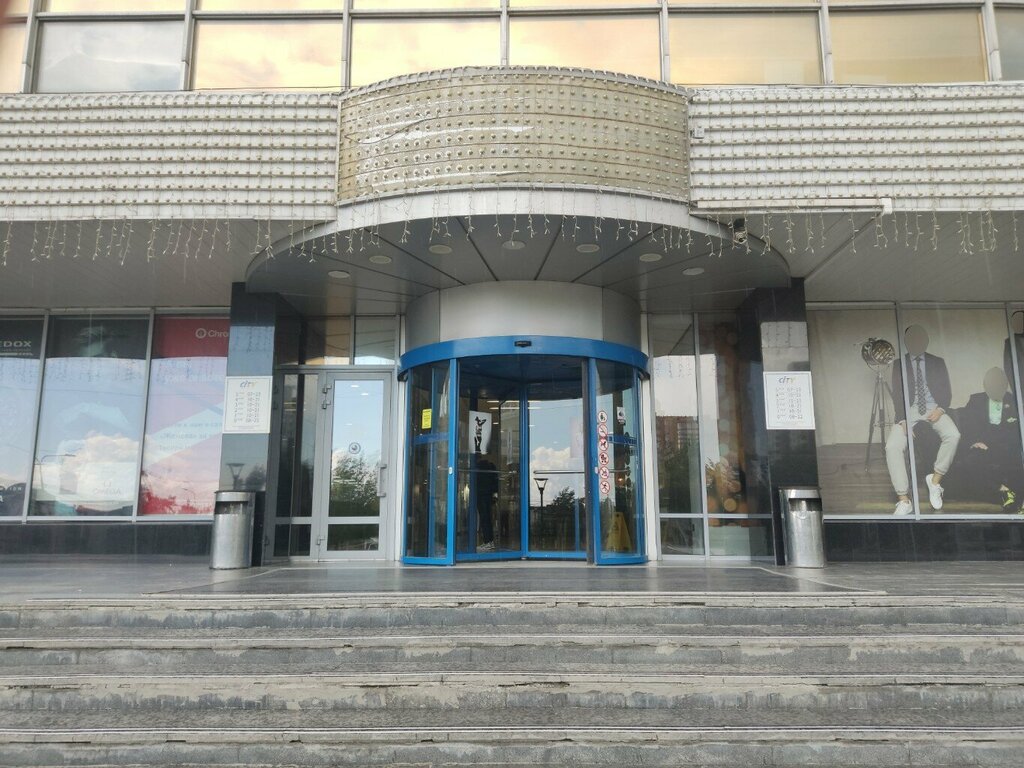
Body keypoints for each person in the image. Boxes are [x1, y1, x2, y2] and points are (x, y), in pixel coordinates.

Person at [886, 325, 960, 515]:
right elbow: (897, 395)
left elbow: (947, 390)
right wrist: (903, 420)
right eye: (912, 339)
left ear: (926, 341)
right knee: (892, 446)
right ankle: (904, 500)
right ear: (906, 342)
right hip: (909, 411)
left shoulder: (937, 362)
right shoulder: (899, 364)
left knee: (953, 435)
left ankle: (935, 481)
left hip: (933, 407)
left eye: (920, 338)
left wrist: (940, 409)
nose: (916, 342)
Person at [948, 368, 1023, 512]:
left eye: (999, 385)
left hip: (1005, 448)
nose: (995, 388)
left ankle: (1006, 495)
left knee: (1016, 465)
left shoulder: (1014, 401)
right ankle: (1003, 491)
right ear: (985, 386)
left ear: (1005, 385)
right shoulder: (976, 400)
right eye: (991, 385)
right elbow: (967, 427)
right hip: (982, 446)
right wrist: (975, 442)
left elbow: (1016, 433)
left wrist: (1001, 447)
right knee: (969, 464)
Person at [475, 457, 498, 551]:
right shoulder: (491, 466)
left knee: (484, 519)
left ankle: (487, 542)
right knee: (488, 519)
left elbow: (475, 482)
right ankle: (490, 542)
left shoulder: (478, 467)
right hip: (489, 495)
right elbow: (495, 483)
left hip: (481, 495)